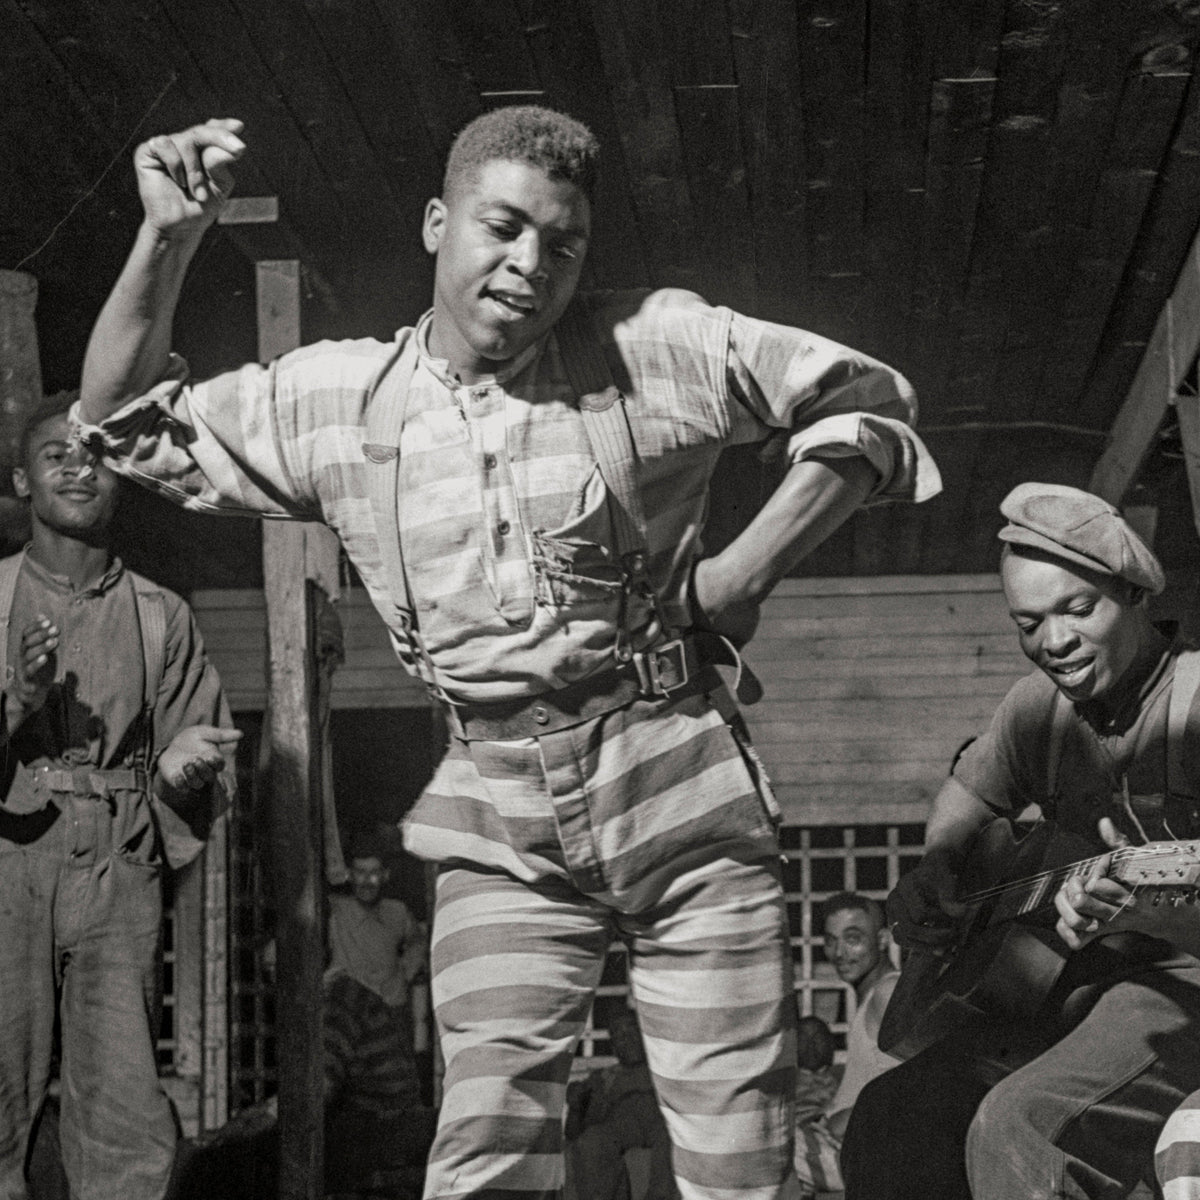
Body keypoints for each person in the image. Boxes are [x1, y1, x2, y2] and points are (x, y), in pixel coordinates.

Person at [73, 105, 940, 1199]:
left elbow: (866, 401)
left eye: (562, 245)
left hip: (674, 783)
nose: (531, 263)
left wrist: (740, 574)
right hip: (496, 814)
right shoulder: (338, 400)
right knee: (484, 1155)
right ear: (438, 224)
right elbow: (120, 421)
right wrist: (167, 237)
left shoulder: (652, 348)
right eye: (503, 227)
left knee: (736, 1162)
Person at [842, 482, 1200, 1200]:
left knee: (1020, 1125)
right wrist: (938, 870)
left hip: (1180, 990)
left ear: (1134, 593)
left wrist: (1147, 913)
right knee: (888, 1116)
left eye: (1079, 609)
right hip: (1066, 991)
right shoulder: (1036, 710)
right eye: (1029, 623)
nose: (1054, 642)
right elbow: (966, 797)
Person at [0, 396, 240, 1200]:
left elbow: (198, 752)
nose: (78, 469)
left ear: (123, 477)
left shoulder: (159, 616)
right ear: (22, 481)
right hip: (8, 861)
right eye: (55, 456)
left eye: (96, 455)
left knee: (126, 1118)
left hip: (118, 868)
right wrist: (16, 703)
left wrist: (180, 771)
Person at [794, 894, 898, 1198]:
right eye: (831, 941)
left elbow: (917, 1085)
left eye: (853, 939)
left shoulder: (889, 992)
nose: (839, 952)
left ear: (882, 939)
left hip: (854, 1156)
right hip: (843, 1148)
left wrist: (843, 1121)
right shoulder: (872, 997)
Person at [564, 1008, 675, 1200]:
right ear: (613, 1046)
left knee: (671, 1137)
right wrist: (575, 1105)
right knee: (591, 1141)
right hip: (621, 1128)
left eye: (631, 1030)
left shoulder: (664, 1071)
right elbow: (573, 1134)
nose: (626, 1038)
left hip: (661, 1124)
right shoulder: (604, 1077)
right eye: (618, 1034)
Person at [328, 829, 426, 1026]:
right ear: (349, 875)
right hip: (348, 1011)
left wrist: (404, 975)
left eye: (374, 873)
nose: (367, 881)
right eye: (360, 873)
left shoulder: (397, 912)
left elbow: (417, 943)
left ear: (385, 875)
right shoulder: (335, 910)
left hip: (390, 1010)